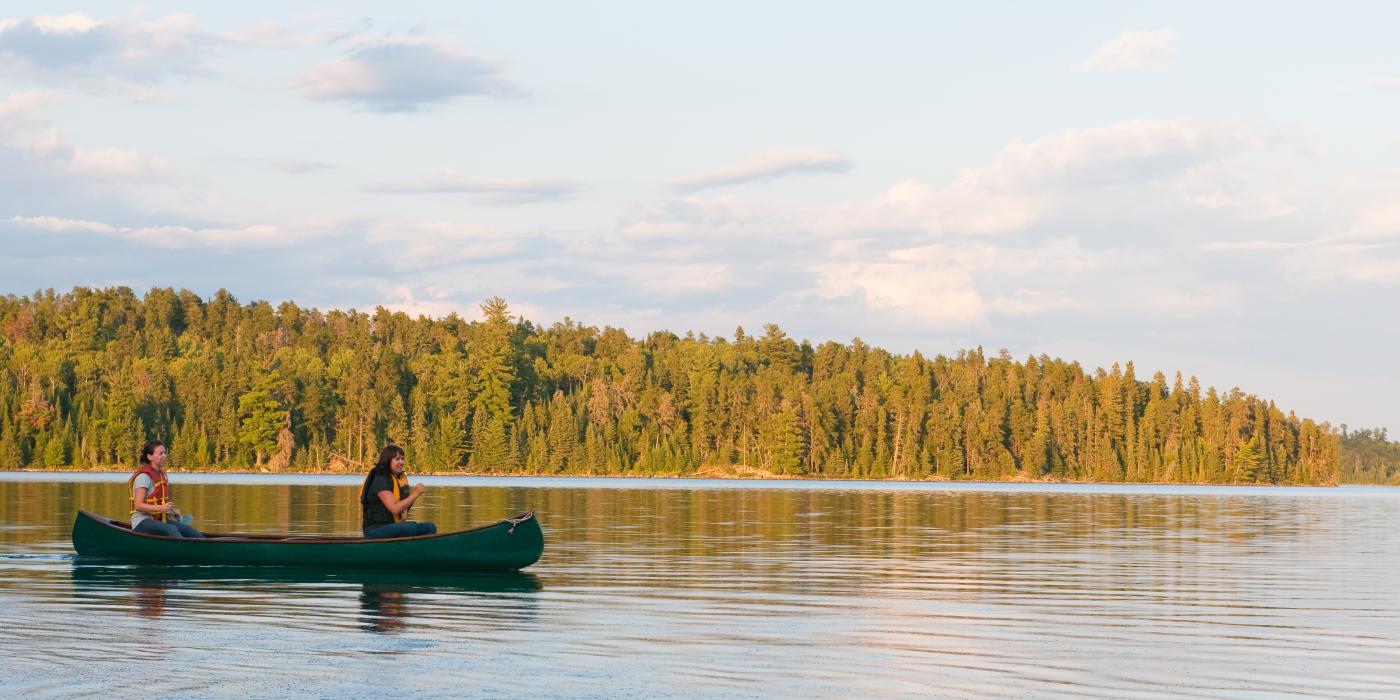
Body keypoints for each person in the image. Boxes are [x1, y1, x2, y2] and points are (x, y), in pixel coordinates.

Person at [129, 439, 205, 538]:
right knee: (171, 529)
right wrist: (161, 508)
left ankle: (206, 548)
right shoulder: (144, 477)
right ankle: (184, 551)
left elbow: (158, 502)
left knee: (190, 531)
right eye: (161, 453)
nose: (164, 456)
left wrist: (172, 511)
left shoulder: (161, 475)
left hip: (159, 520)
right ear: (150, 456)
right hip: (141, 522)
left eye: (165, 453)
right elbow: (138, 505)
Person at [360, 445, 437, 539]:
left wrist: (413, 495)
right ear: (387, 460)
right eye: (397, 459)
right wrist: (415, 494)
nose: (401, 462)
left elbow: (402, 510)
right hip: (374, 530)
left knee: (430, 527)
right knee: (409, 528)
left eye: (402, 458)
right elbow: (395, 509)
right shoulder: (380, 480)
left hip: (392, 526)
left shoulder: (395, 479)